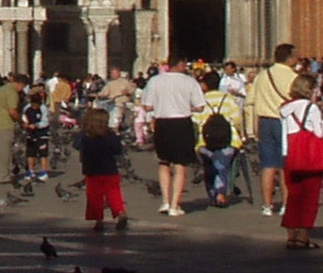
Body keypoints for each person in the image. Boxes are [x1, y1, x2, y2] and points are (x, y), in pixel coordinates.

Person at [140, 58, 206, 216]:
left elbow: (147, 106)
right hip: (182, 123)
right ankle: (175, 205)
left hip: (162, 123)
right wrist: (184, 105)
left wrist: (163, 104)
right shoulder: (190, 82)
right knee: (180, 165)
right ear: (182, 65)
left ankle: (165, 201)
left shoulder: (155, 81)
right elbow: (200, 106)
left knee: (163, 163)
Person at [280, 72, 323, 249]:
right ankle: (303, 237)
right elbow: (319, 133)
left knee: (293, 197)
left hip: (290, 156)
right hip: (309, 158)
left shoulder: (285, 108)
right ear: (310, 89)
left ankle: (291, 236)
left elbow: (285, 135)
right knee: (309, 197)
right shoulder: (311, 108)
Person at [249, 44, 299, 216]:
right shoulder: (294, 78)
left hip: (265, 121)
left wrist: (252, 127)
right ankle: (286, 204)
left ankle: (267, 205)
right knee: (286, 166)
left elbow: (251, 100)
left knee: (268, 165)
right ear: (290, 58)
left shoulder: (262, 76)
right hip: (284, 122)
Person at [192, 69, 243, 208]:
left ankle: (212, 193)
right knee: (223, 166)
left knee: (209, 167)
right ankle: (221, 193)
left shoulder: (201, 100)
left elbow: (196, 121)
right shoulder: (228, 99)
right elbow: (237, 119)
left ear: (205, 85)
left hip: (204, 142)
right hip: (228, 140)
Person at [74, 106, 127, 232]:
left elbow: (76, 145)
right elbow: (118, 150)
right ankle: (120, 213)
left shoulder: (85, 135)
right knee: (114, 193)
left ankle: (99, 220)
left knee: (95, 197)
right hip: (110, 169)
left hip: (92, 170)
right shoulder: (109, 135)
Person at [20, 87, 50, 181]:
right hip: (30, 134)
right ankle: (31, 171)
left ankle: (44, 171)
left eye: (36, 105)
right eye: (33, 104)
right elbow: (24, 117)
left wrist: (37, 125)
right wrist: (24, 124)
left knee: (43, 154)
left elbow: (46, 121)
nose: (34, 107)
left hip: (42, 134)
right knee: (30, 153)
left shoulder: (43, 108)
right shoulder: (27, 108)